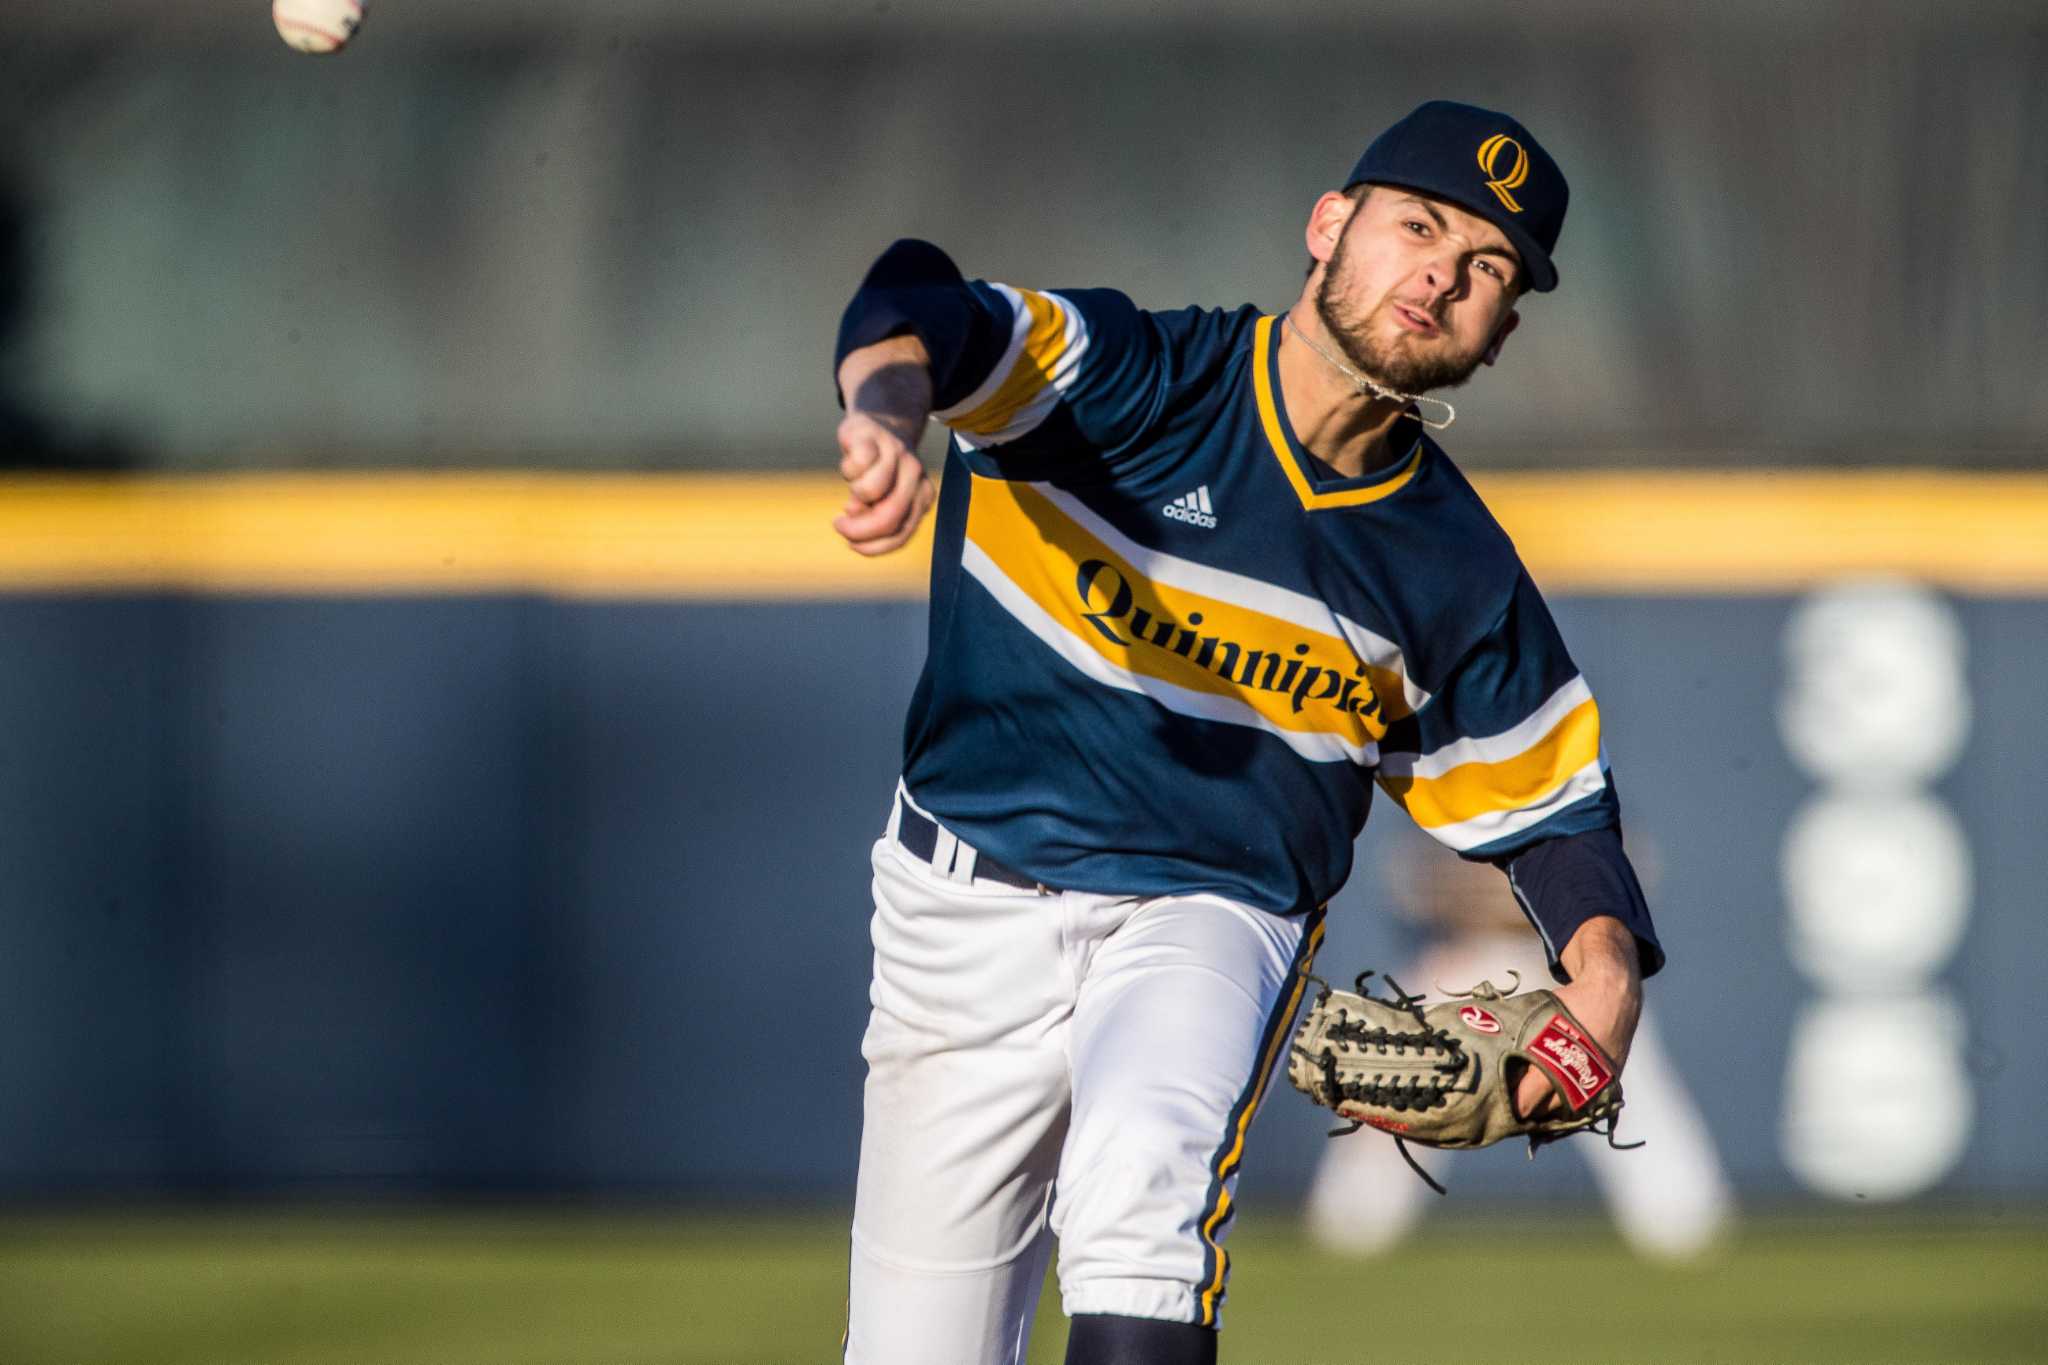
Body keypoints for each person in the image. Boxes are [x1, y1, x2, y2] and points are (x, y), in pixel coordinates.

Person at [829, 100, 1664, 1365]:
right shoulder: (1129, 379)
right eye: (1417, 225)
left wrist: (1601, 980)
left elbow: (1555, 816)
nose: (1440, 272)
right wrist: (887, 409)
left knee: (1137, 1212)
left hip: (1209, 911)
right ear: (1328, 226)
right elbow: (920, 298)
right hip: (957, 913)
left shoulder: (1451, 572)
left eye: (1490, 267)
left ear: (1499, 335)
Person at [1305, 829, 1731, 1261]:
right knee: (1398, 1088)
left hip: (1560, 969)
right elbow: (1408, 885)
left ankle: (1682, 1218)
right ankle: (1354, 1222)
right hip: (1465, 961)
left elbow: (1632, 884)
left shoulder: (1579, 803)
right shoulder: (1443, 799)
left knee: (1627, 1088)